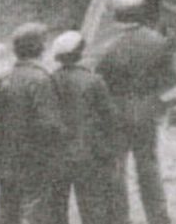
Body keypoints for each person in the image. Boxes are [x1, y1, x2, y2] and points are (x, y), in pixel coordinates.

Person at [95, 0, 176, 224]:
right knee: (149, 168)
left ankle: (119, 219)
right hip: (145, 112)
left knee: (116, 171)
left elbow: (98, 84)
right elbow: (171, 79)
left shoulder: (106, 46)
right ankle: (159, 218)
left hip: (115, 113)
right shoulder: (158, 41)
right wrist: (152, 96)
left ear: (115, 13)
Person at [0, 23, 64, 224]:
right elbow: (49, 125)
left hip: (5, 159)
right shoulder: (41, 79)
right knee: (34, 212)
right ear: (40, 47)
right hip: (33, 161)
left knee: (6, 211)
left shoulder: (1, 79)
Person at [49, 31, 119, 224]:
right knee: (92, 207)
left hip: (58, 155)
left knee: (56, 209)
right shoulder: (94, 81)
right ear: (80, 53)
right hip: (88, 154)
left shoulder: (50, 80)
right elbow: (110, 117)